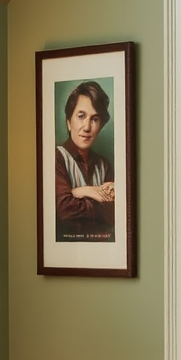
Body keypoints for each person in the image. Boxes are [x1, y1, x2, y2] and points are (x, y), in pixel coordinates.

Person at [55, 81, 115, 242]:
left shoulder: (104, 165)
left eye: (94, 119)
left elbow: (115, 214)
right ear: (69, 122)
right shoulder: (56, 158)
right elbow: (65, 211)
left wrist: (78, 192)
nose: (87, 127)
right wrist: (93, 193)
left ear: (101, 126)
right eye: (81, 116)